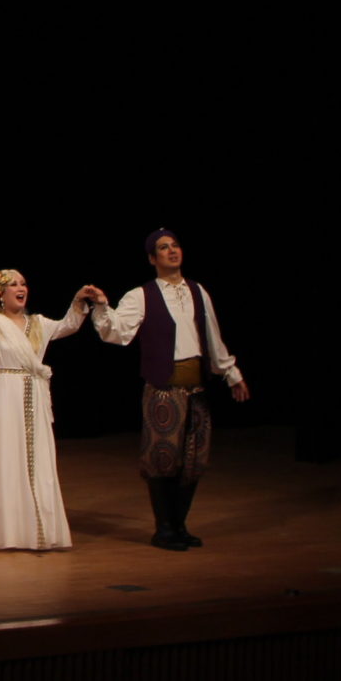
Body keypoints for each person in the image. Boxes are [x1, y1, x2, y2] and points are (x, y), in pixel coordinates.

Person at [88, 228, 250, 551]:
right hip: (163, 389)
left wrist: (231, 374)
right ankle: (163, 529)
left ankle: (179, 525)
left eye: (175, 245)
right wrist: (103, 306)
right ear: (153, 258)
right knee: (162, 459)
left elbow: (212, 336)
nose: (172, 251)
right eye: (164, 247)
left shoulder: (198, 291)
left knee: (193, 461)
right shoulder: (142, 295)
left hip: (196, 389)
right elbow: (116, 332)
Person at [0, 270, 87, 553]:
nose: (21, 288)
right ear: (0, 293)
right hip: (5, 391)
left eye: (23, 283)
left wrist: (78, 300)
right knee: (8, 457)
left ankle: (41, 530)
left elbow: (68, 325)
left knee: (39, 459)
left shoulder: (38, 323)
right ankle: (10, 532)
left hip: (34, 392)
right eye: (13, 284)